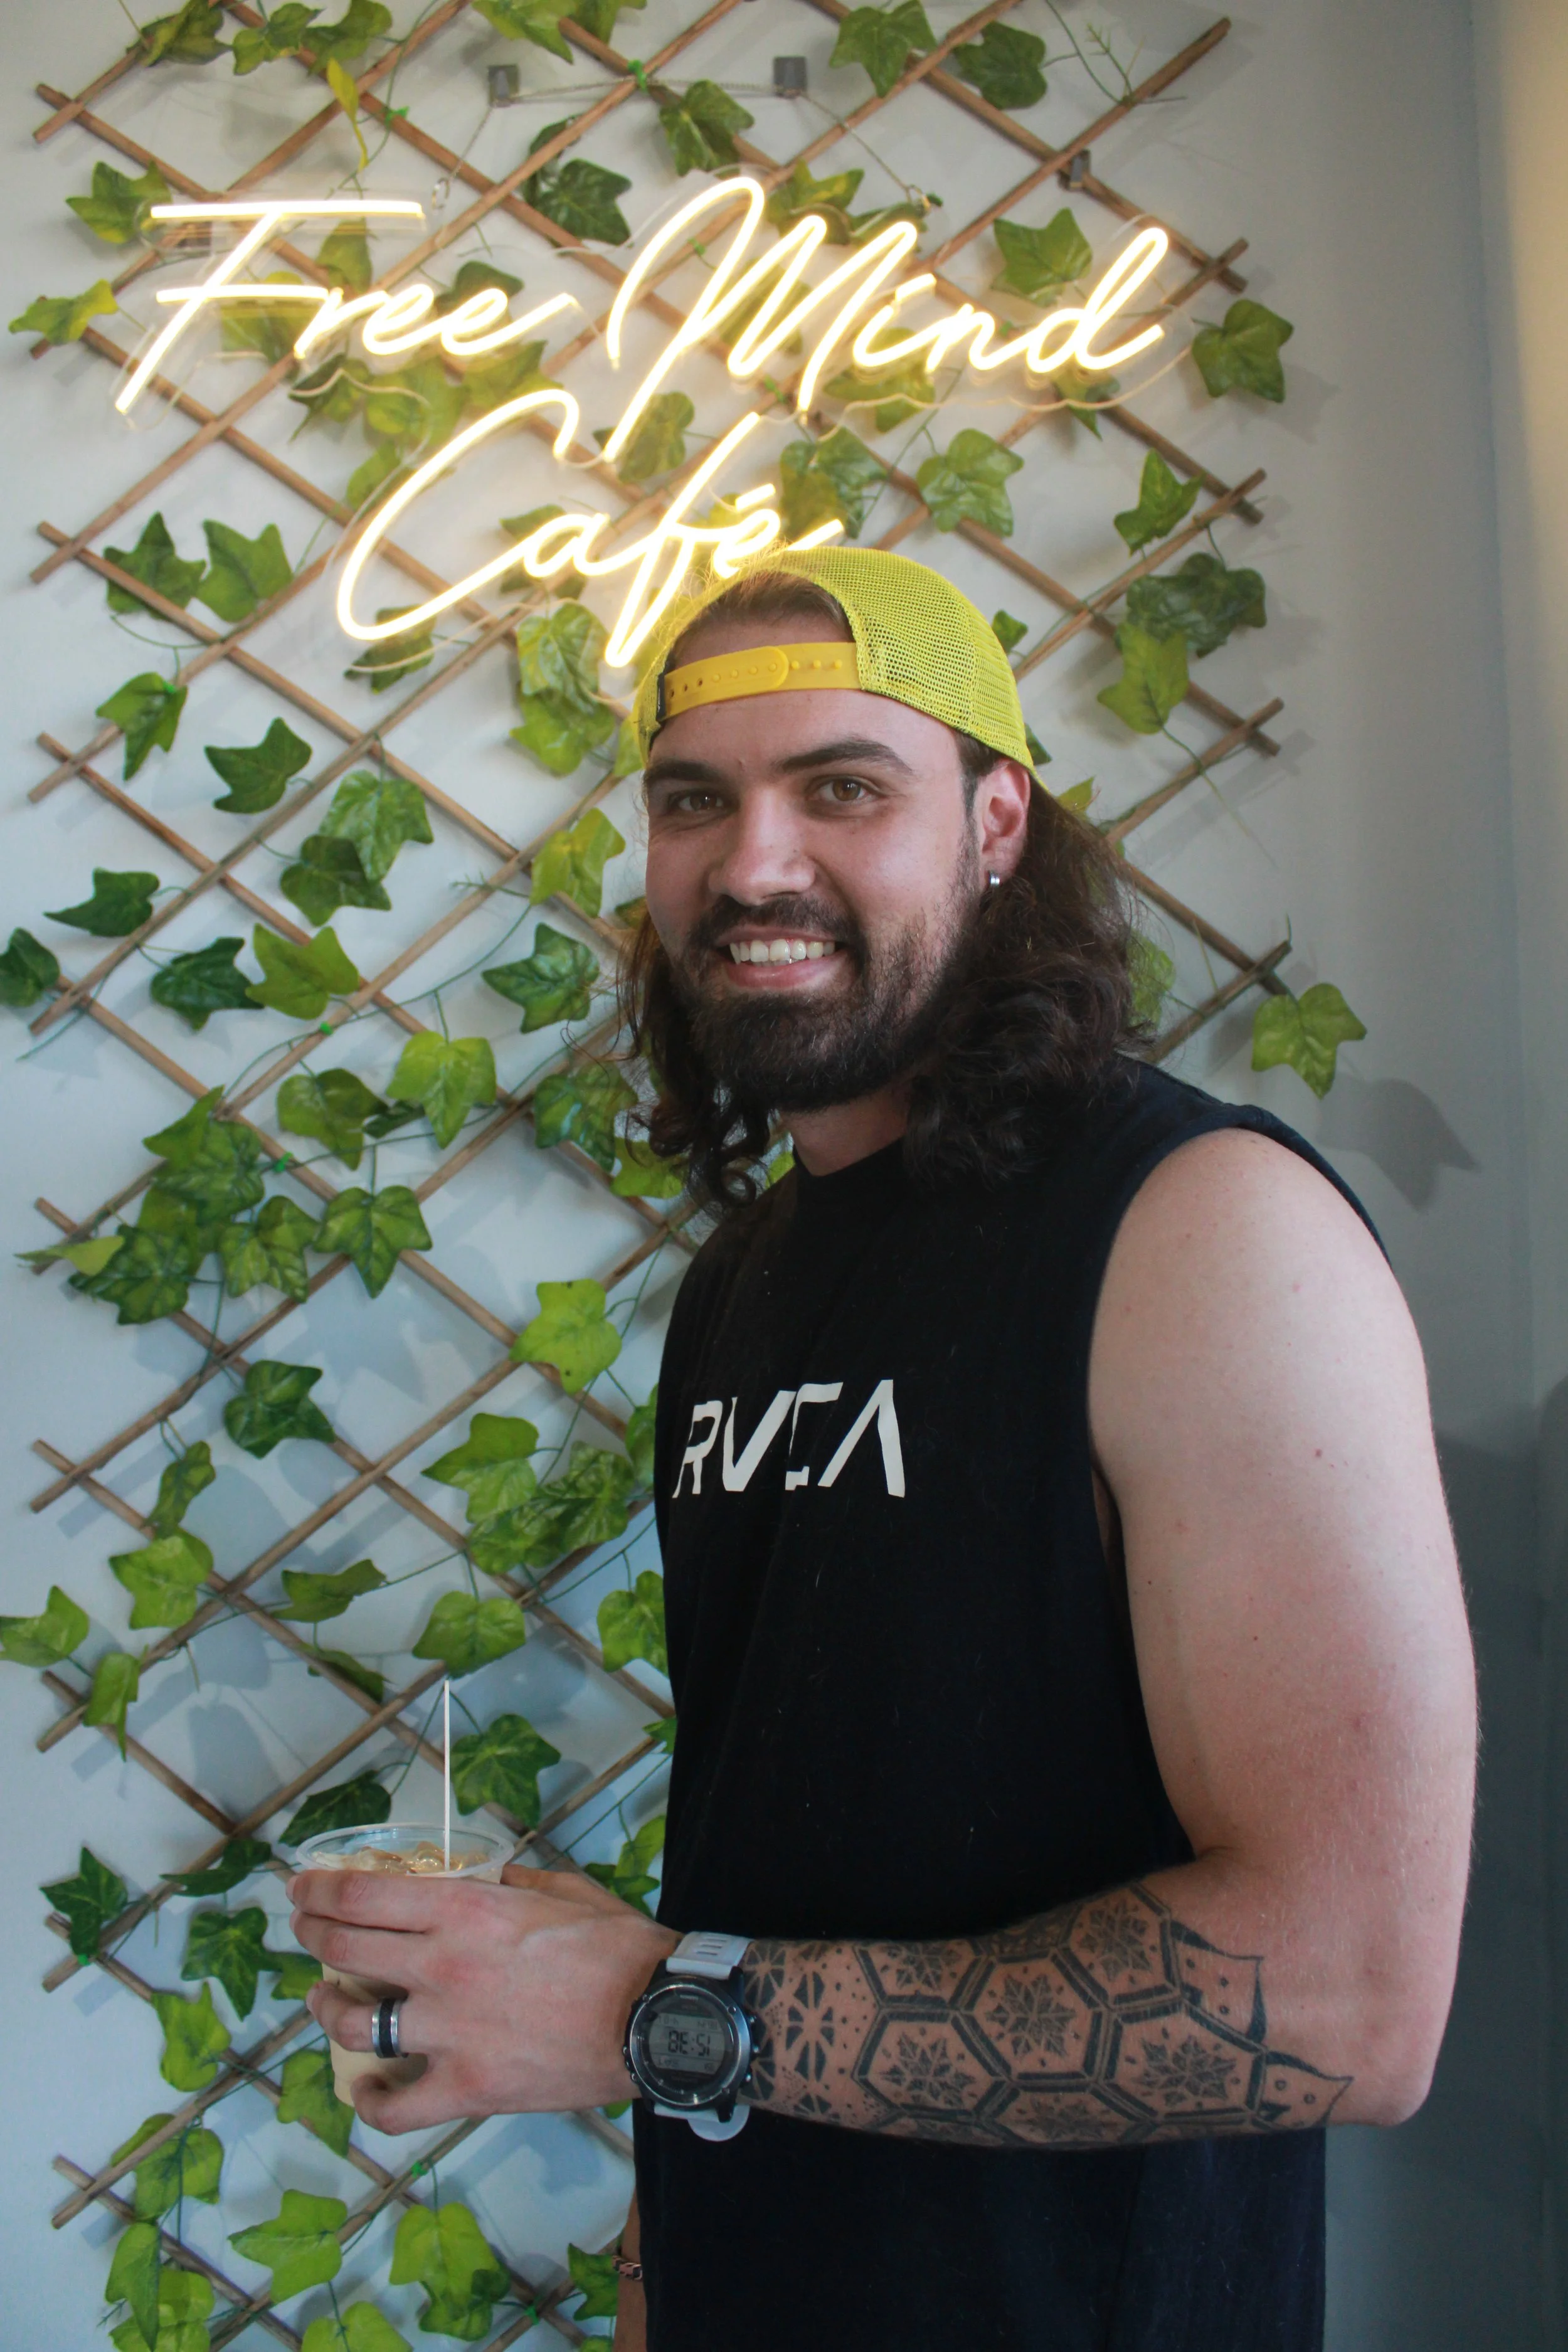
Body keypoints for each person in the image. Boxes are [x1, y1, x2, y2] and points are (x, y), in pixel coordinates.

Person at [290, 547, 1476, 2351]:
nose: (751, 860)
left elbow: (1346, 1998)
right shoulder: (742, 1281)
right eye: (694, 798)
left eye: (840, 785)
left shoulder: (1199, 1228)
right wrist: (656, 2256)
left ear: (996, 820)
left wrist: (642, 2010)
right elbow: (782, 1865)